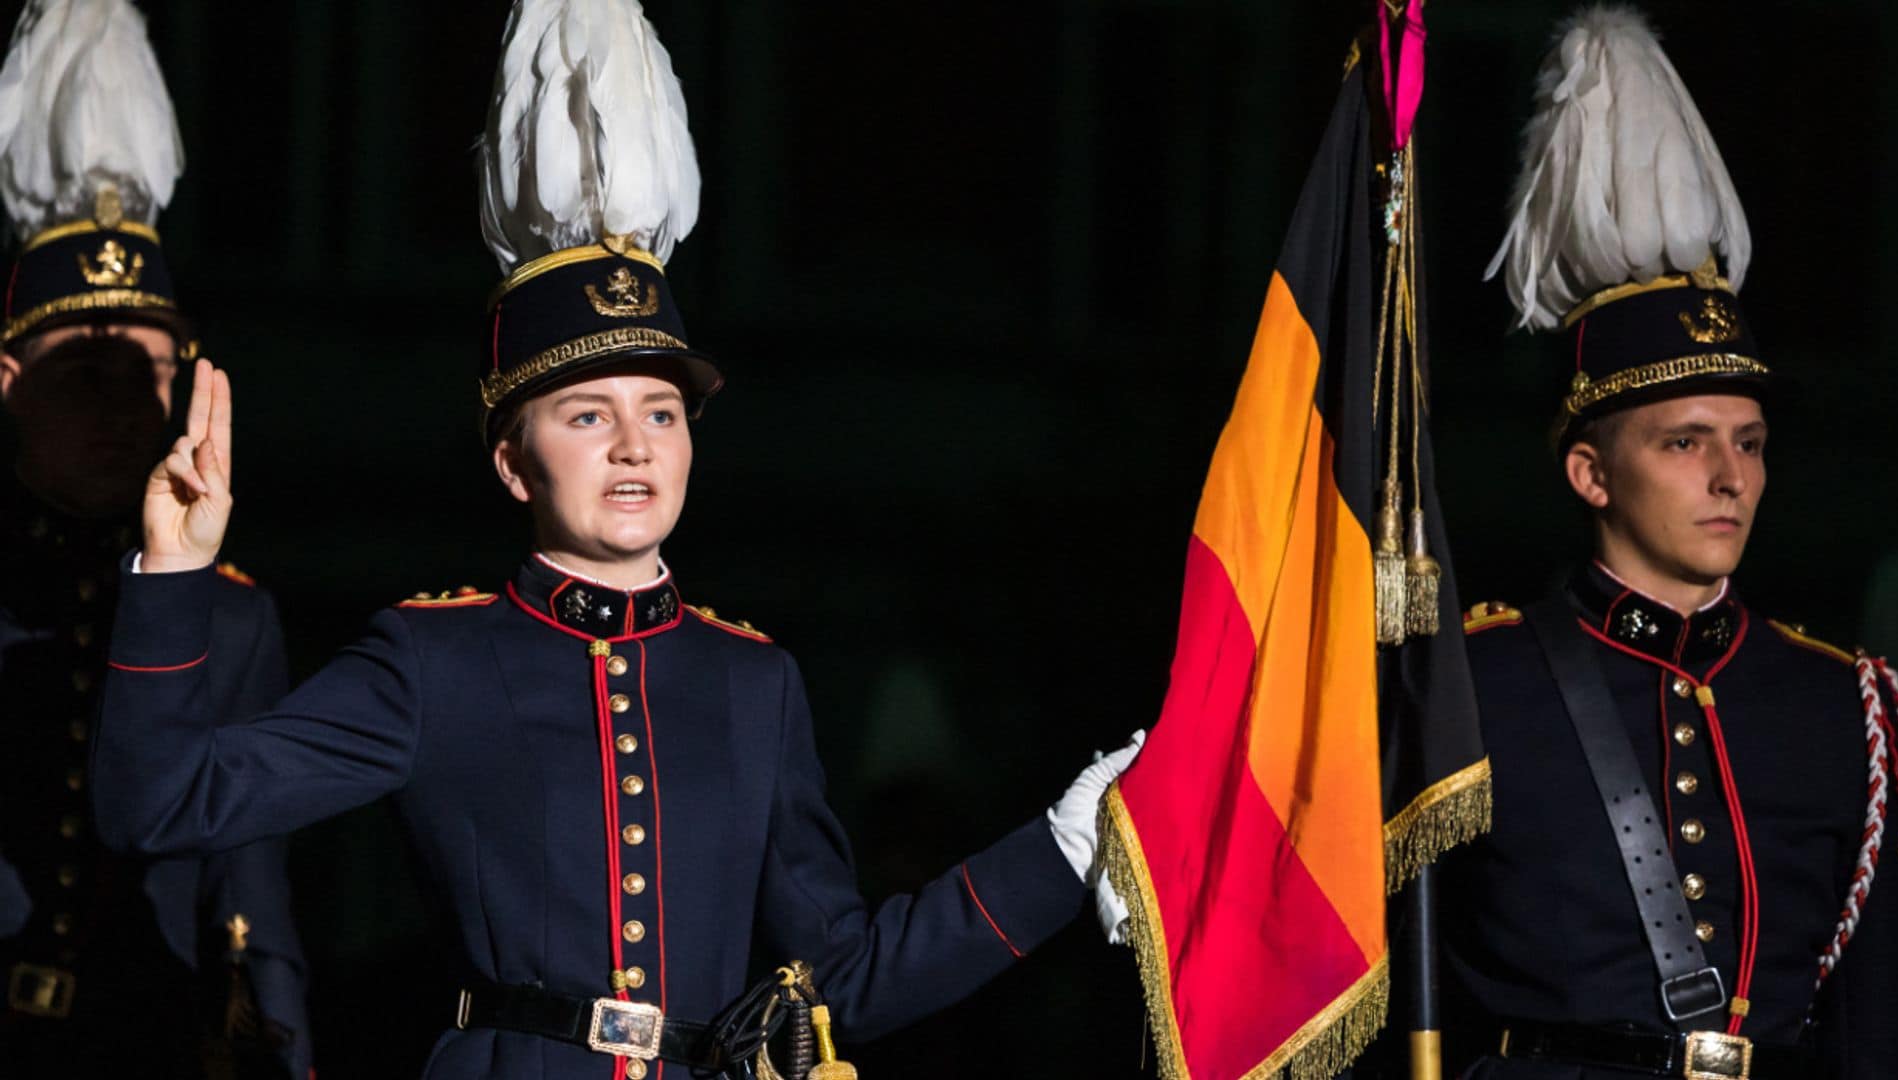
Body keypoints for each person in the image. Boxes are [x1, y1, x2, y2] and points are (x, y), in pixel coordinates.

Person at [92, 3, 1137, 1078]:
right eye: (588, 415)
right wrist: (173, 569)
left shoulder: (753, 680)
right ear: (513, 461)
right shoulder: (431, 658)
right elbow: (159, 804)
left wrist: (1063, 848)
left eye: (662, 411)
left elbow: (848, 980)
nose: (634, 443)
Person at [1446, 7, 1898, 1078]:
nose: (1729, 476)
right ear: (1591, 472)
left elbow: (1874, 1023)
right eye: (1685, 442)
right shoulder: (1475, 682)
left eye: (1747, 442)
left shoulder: (1843, 704)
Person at [0, 1, 309, 1076]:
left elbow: (252, 894)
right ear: (9, 386)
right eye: (84, 375)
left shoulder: (230, 612)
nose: (121, 408)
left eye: (149, 375)